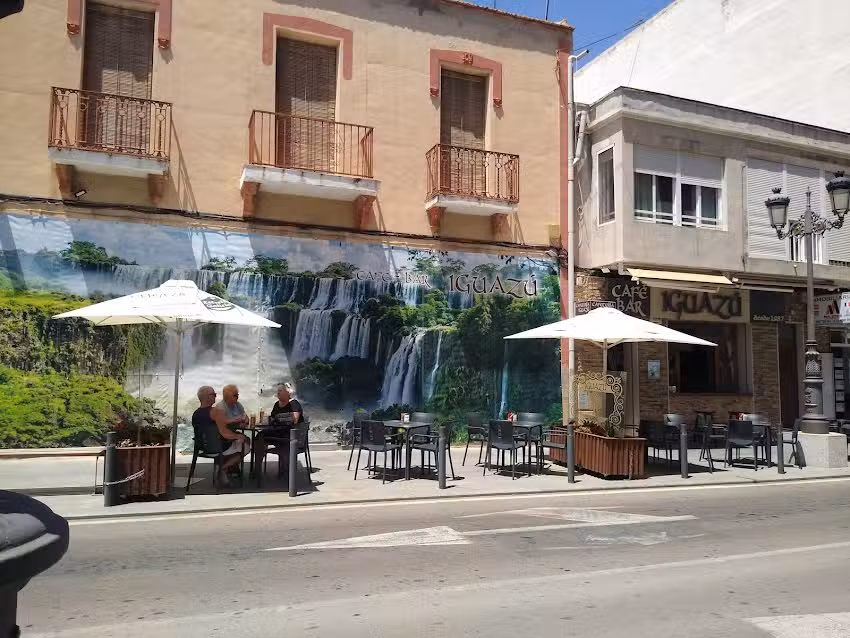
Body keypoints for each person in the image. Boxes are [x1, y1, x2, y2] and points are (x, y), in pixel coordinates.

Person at [192, 386, 250, 487]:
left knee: (236, 442)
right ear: (207, 397)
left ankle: (225, 471)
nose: (215, 396)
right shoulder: (215, 411)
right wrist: (237, 436)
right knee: (245, 446)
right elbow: (224, 432)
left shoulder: (195, 414)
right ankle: (223, 468)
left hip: (202, 447)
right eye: (213, 394)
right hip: (217, 447)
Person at [256, 383, 305, 476]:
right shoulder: (276, 405)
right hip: (278, 434)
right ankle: (257, 466)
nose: (277, 393)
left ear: (288, 393)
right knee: (259, 436)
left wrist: (280, 418)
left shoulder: (294, 404)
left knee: (262, 436)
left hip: (289, 436)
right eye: (277, 391)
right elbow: (272, 419)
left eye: (280, 391)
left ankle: (285, 468)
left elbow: (295, 420)